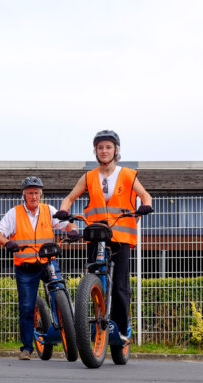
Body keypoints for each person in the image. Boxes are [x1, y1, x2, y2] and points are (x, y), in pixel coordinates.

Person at [57, 129, 153, 346]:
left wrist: (146, 206)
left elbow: (145, 195)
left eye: (108, 147)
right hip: (96, 234)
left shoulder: (128, 174)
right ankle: (94, 320)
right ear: (96, 151)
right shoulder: (89, 176)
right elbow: (69, 198)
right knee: (93, 279)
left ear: (115, 150)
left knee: (119, 284)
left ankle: (120, 328)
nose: (104, 151)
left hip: (121, 235)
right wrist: (64, 211)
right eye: (100, 147)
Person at [0, 176, 79, 360]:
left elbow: (67, 224)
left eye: (37, 193)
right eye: (30, 193)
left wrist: (73, 230)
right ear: (24, 194)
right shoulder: (14, 213)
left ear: (41, 194)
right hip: (25, 267)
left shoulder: (49, 210)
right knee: (26, 306)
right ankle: (26, 348)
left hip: (48, 262)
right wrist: (8, 243)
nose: (34, 197)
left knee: (60, 291)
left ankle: (68, 330)